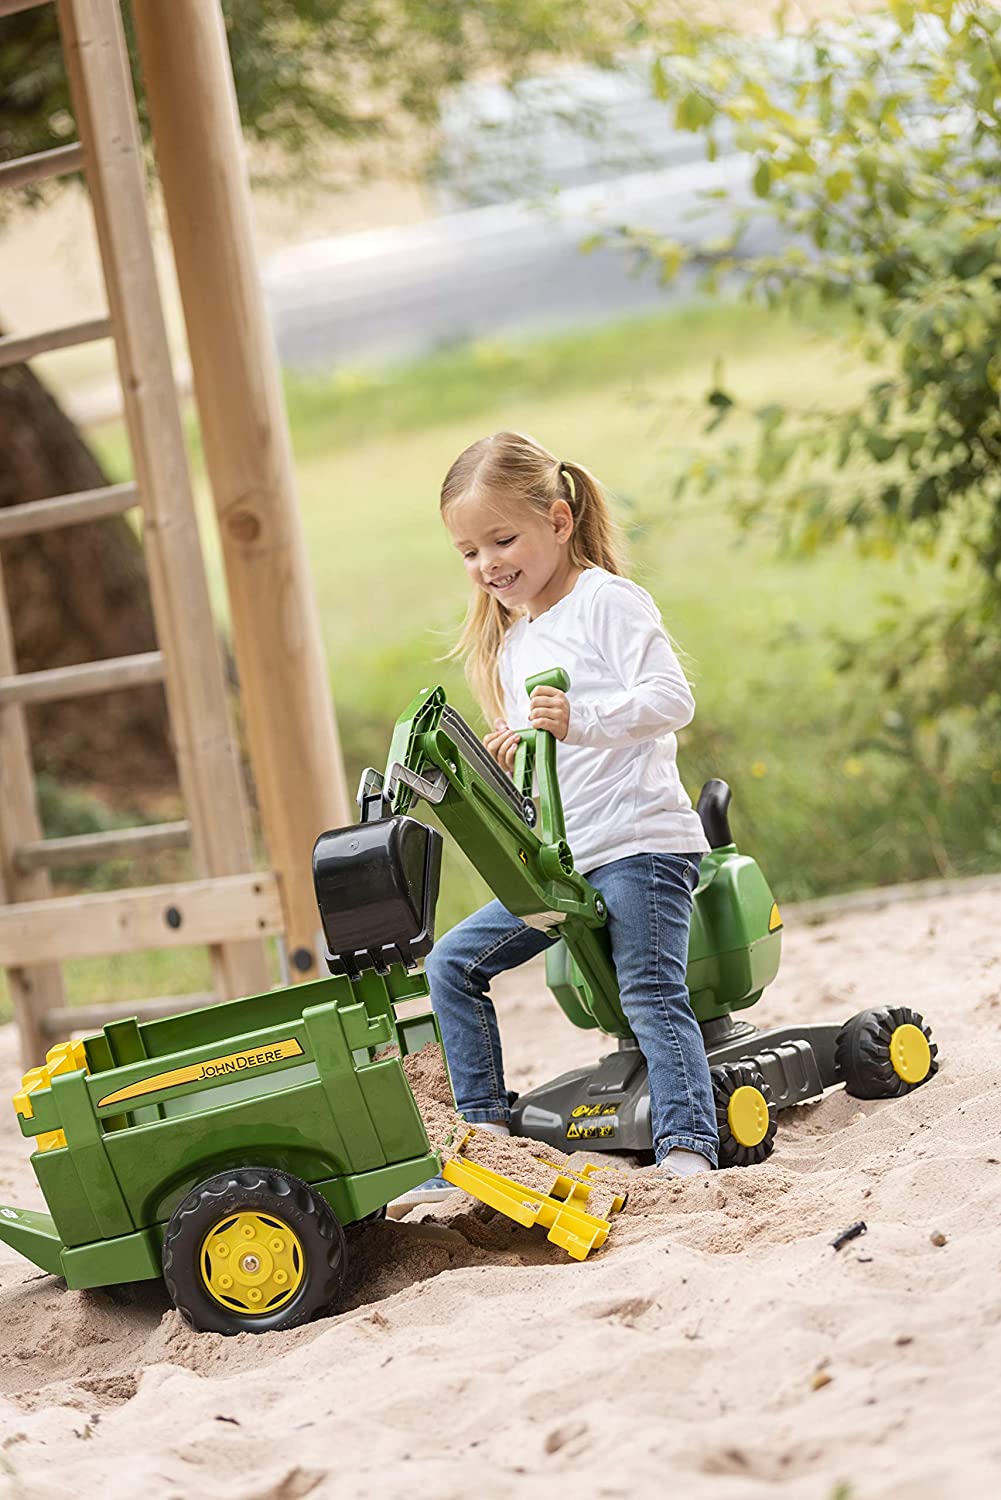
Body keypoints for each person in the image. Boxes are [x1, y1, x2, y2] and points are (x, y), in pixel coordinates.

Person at [402, 429, 717, 1206]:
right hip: (565, 863)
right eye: (468, 553)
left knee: (648, 990)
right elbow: (550, 752)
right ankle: (485, 1135)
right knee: (451, 964)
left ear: (558, 520)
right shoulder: (514, 643)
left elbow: (671, 701)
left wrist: (580, 719)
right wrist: (519, 748)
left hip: (640, 844)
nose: (487, 565)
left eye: (502, 540)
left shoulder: (608, 602)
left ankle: (687, 1144)